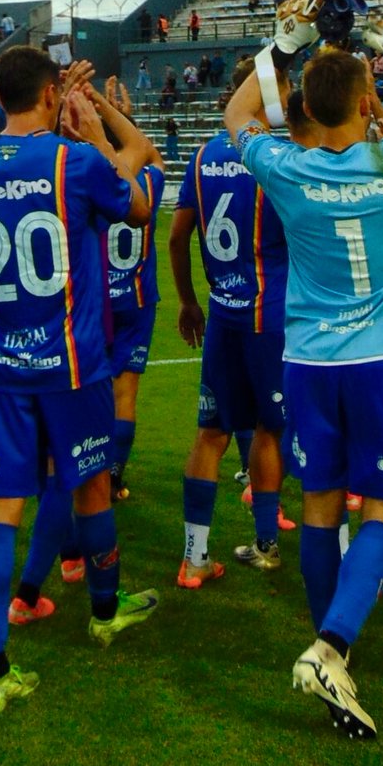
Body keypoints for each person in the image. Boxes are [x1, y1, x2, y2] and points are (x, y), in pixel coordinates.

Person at [226, 7, 383, 740]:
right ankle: (333, 646)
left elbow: (238, 108)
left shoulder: (285, 165)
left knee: (322, 507)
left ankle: (331, 646)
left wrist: (285, 43)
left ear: (303, 108)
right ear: (367, 103)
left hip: (308, 360)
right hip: (382, 361)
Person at [0, 49, 159, 714]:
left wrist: (20, 96)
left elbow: (9, 140)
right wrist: (96, 116)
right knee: (92, 486)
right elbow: (135, 202)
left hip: (1, 365)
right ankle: (105, 611)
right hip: (72, 364)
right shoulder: (77, 162)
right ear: (53, 92)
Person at [170, 60, 291, 584]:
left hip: (223, 310)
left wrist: (187, 300)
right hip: (271, 314)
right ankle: (266, 540)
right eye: (284, 88)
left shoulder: (202, 156)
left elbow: (176, 236)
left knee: (210, 432)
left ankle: (194, 556)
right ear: (267, 93)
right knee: (269, 428)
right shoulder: (280, 157)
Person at [97, 78, 165, 502]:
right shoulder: (151, 184)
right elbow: (149, 151)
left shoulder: (86, 182)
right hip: (137, 300)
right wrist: (107, 108)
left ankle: (85, 470)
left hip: (96, 302)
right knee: (126, 393)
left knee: (91, 391)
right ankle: (114, 477)